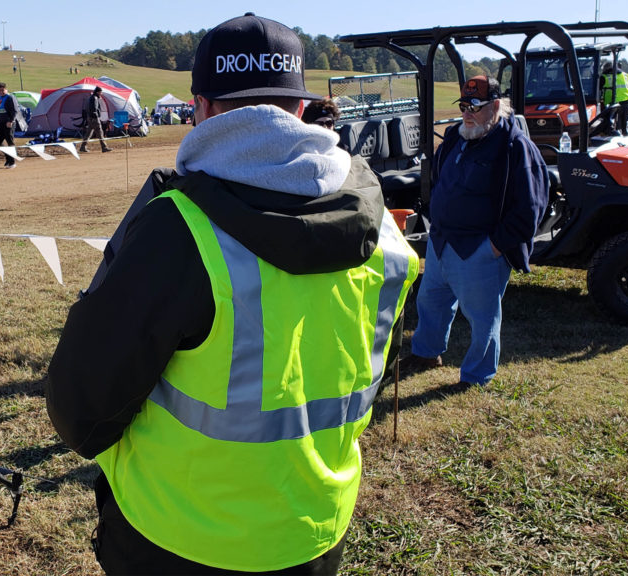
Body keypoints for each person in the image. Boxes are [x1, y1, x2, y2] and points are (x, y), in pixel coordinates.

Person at [46, 13, 418, 575]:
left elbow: (81, 406)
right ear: (299, 109)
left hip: (177, 538)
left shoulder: (178, 229)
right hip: (315, 532)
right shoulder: (383, 228)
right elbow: (371, 369)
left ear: (200, 108)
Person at [406, 76, 549, 386]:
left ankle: (476, 376)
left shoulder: (515, 146)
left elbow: (531, 207)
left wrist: (494, 247)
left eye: (475, 106)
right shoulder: (456, 138)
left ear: (495, 106)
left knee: (483, 320)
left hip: (479, 250)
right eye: (463, 106)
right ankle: (426, 353)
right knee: (430, 303)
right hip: (441, 242)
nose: (467, 113)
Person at [600, 60, 628, 136]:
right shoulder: (625, 75)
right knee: (624, 125)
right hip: (626, 100)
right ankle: (625, 135)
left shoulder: (604, 77)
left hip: (612, 103)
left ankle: (611, 134)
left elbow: (598, 89)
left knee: (608, 124)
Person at [79, 86, 111, 153]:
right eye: (100, 92)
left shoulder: (91, 98)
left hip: (90, 118)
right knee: (100, 132)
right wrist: (96, 117)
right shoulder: (95, 98)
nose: (101, 93)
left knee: (89, 133)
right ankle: (104, 147)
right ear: (98, 92)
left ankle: (82, 147)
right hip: (94, 118)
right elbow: (94, 109)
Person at [0, 82, 18, 168]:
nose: (1, 92)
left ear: (6, 89)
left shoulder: (10, 97)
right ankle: (8, 158)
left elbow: (14, 110)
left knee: (9, 141)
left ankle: (12, 162)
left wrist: (10, 121)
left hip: (8, 123)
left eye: (2, 90)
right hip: (0, 123)